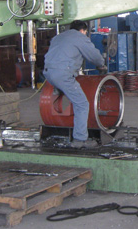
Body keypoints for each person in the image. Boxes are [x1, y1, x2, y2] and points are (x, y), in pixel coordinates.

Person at [44, 20, 106, 149]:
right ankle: (80, 139)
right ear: (83, 30)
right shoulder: (80, 37)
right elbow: (94, 56)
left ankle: (58, 89)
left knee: (66, 81)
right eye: (85, 32)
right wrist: (101, 64)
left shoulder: (58, 37)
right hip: (63, 75)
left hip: (48, 73)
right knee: (82, 104)